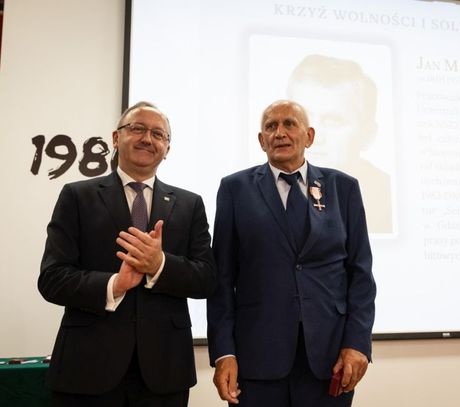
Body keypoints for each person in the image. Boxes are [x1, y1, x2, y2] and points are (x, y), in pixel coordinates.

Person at [38, 101, 216, 406]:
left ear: (167, 148)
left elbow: (207, 279)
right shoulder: (77, 196)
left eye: (158, 134)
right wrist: (114, 285)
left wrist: (159, 265)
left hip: (165, 371)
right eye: (137, 129)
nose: (147, 138)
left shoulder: (190, 204)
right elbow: (52, 278)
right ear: (116, 138)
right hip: (87, 367)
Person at [207, 100, 376, 406]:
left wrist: (358, 343)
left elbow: (361, 275)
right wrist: (224, 352)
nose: (280, 133)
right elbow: (222, 280)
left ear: (309, 136)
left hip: (330, 360)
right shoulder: (235, 189)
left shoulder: (344, 188)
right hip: (256, 359)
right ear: (262, 140)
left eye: (289, 124)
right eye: (271, 126)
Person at [287, 54, 393, 233]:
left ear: (367, 136)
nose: (311, 136)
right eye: (301, 119)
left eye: (332, 121)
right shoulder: (255, 189)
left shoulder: (390, 198)